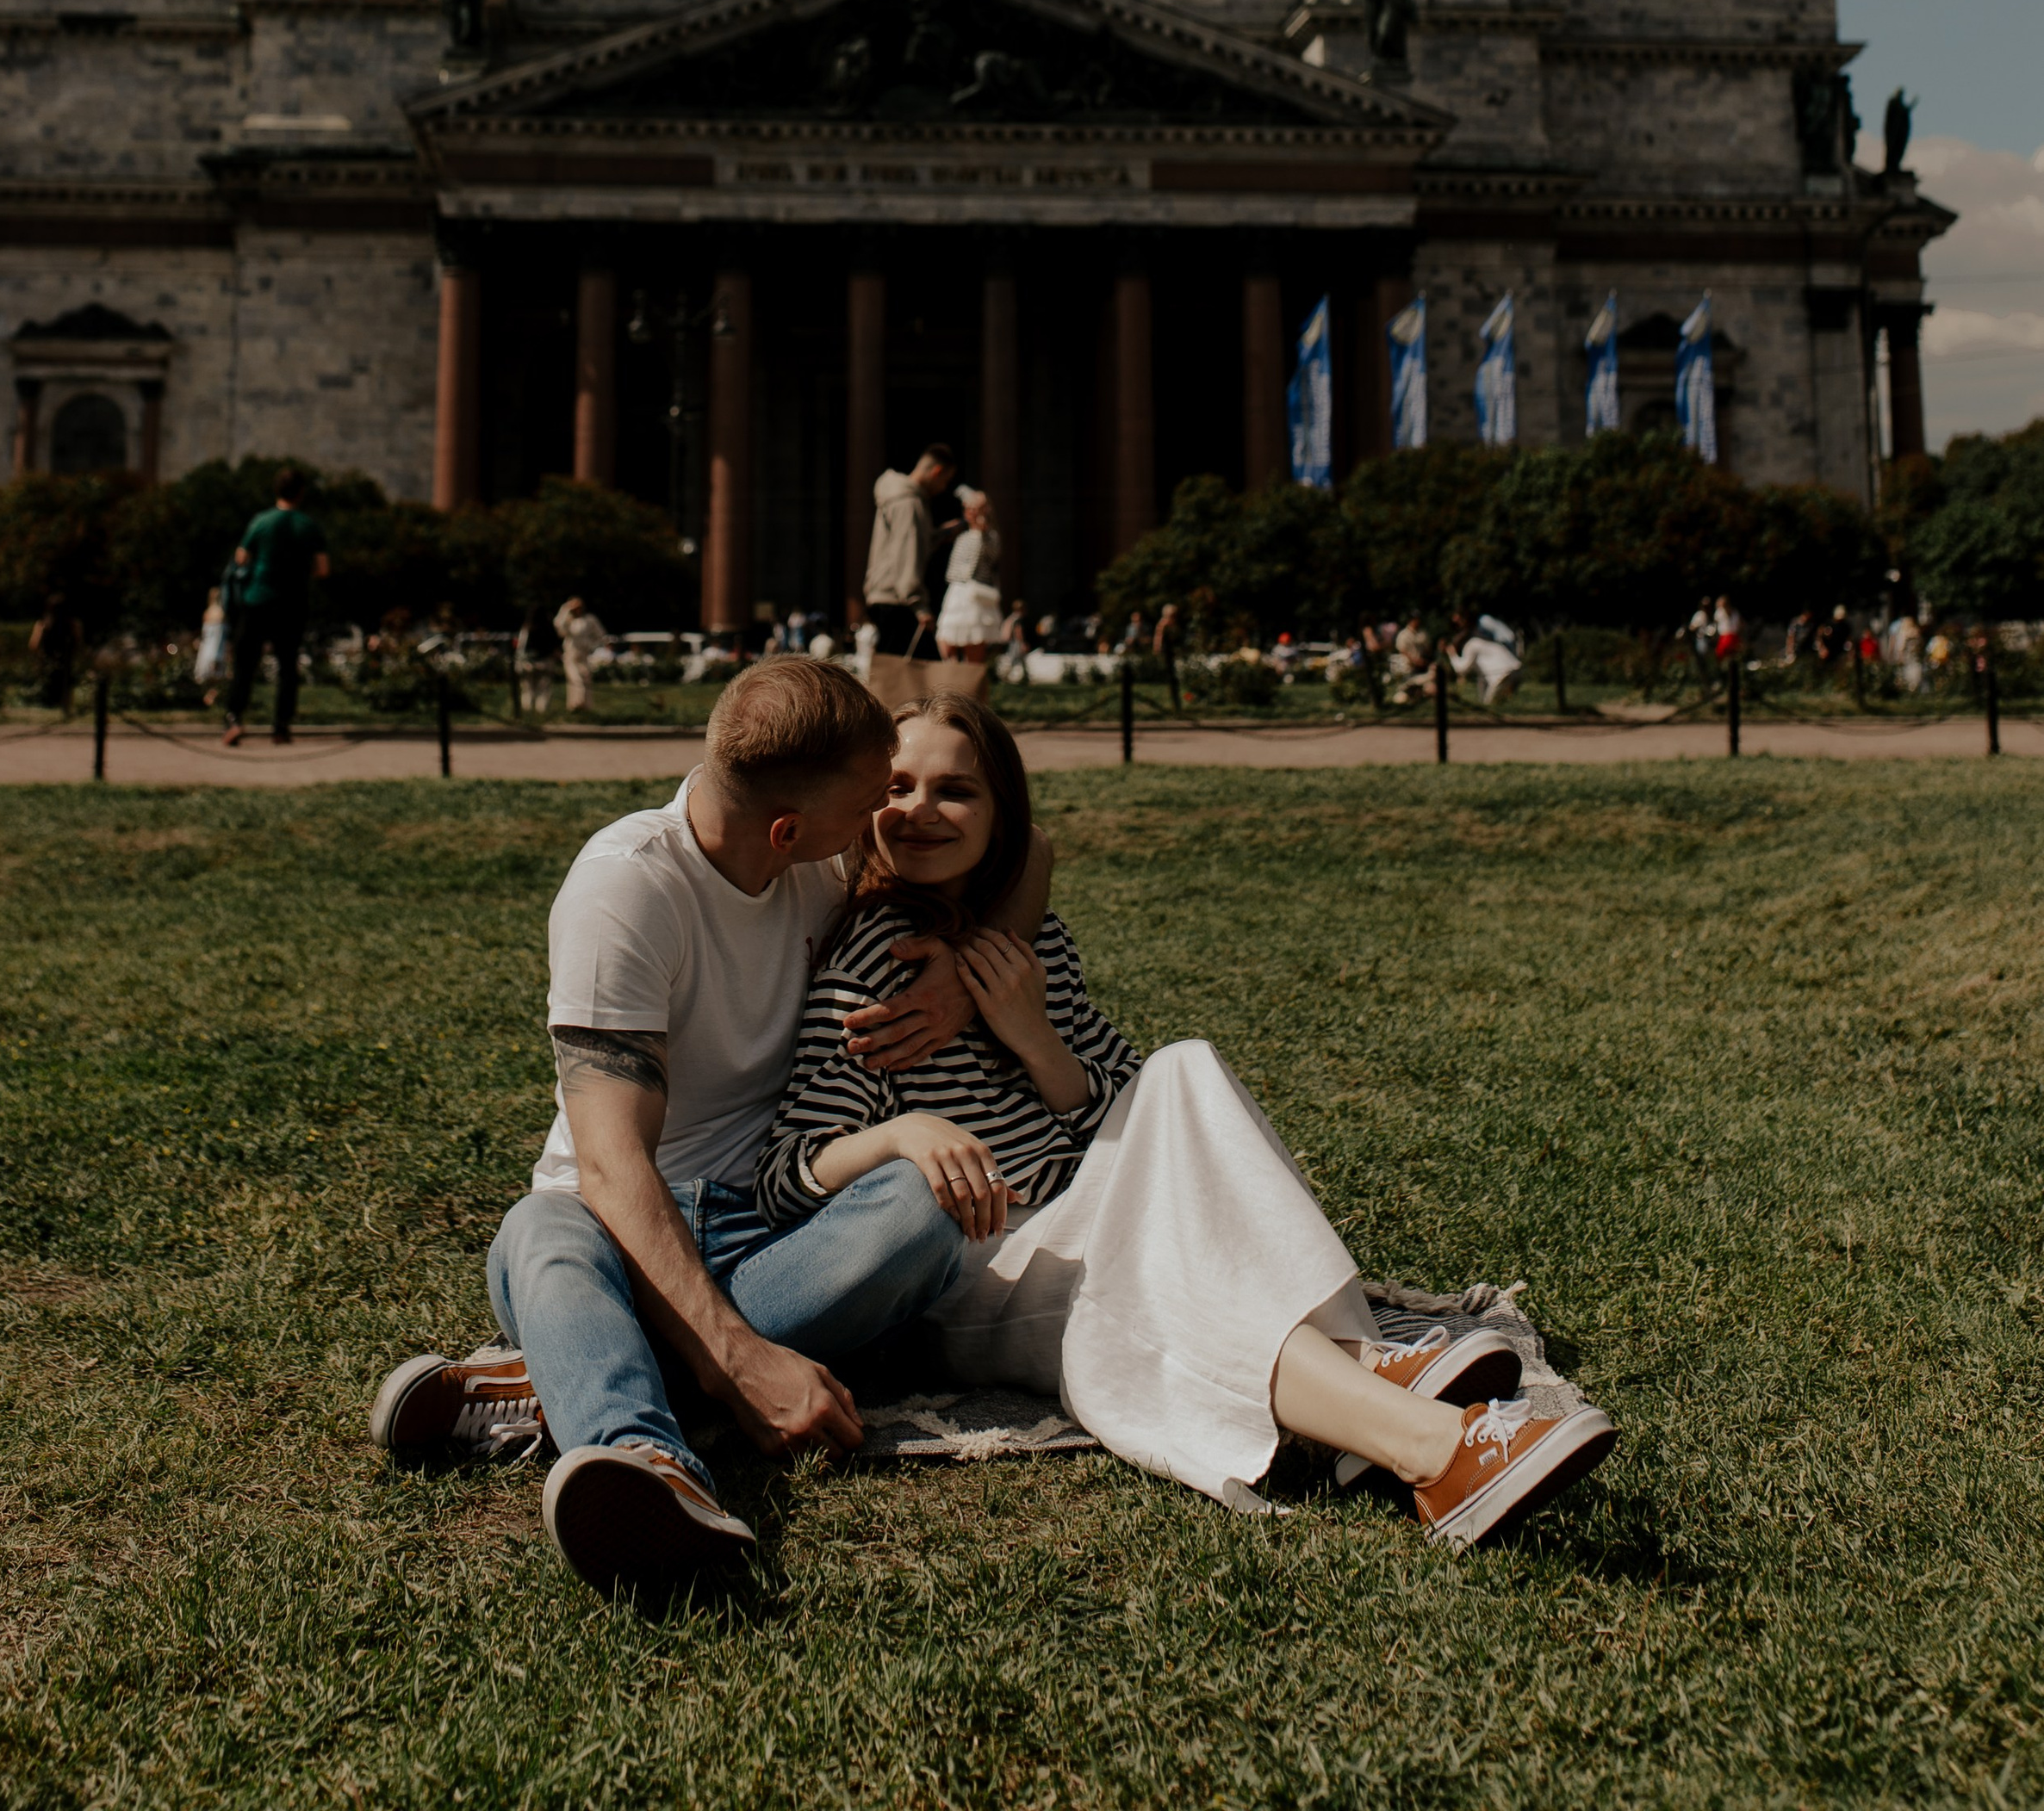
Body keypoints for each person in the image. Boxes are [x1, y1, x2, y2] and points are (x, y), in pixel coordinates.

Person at [755, 702, 1617, 1547]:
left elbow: (1144, 1118)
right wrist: (901, 1136)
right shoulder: (866, 962)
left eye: (956, 791)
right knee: (1161, 1284)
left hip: (1085, 1208)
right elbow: (785, 1172)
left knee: (1184, 1067)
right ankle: (1426, 1441)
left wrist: (1034, 1038)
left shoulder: (1032, 945)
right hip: (979, 1259)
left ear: (1001, 814)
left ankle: (1363, 1391)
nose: (918, 811)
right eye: (896, 786)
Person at [368, 658, 1056, 1596]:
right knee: (540, 1228)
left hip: (776, 1233)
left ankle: (561, 1376)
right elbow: (610, 1169)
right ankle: (648, 1467)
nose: (885, 826)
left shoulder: (815, 852)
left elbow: (1035, 849)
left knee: (920, 1201)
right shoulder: (627, 890)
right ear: (789, 831)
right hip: (612, 1228)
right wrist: (743, 1365)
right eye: (869, 806)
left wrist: (959, 986)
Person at [223, 469, 328, 747]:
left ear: (276, 490)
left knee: (245, 663)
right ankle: (281, 727)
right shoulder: (308, 525)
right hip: (292, 602)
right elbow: (323, 569)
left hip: (257, 599)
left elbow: (241, 557)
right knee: (287, 667)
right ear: (301, 492)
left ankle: (234, 718)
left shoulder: (262, 521)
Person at [860, 447, 956, 657]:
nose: (943, 488)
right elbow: (907, 554)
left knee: (895, 677)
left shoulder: (902, 498)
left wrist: (940, 534)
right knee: (925, 678)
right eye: (945, 481)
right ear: (937, 471)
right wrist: (919, 606)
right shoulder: (909, 503)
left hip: (887, 595)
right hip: (899, 601)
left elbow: (905, 545)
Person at [935, 487, 1003, 661]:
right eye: (968, 508)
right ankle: (953, 681)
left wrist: (982, 530)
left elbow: (992, 557)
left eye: (974, 509)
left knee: (973, 646)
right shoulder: (962, 535)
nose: (970, 512)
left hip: (975, 594)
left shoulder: (989, 536)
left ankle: (969, 686)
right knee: (945, 641)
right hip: (956, 591)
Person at [555, 595, 612, 712]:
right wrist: (565, 609)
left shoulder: (589, 619)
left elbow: (601, 635)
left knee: (586, 679)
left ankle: (586, 707)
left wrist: (592, 646)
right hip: (571, 654)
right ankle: (576, 705)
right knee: (575, 679)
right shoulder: (568, 621)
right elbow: (559, 627)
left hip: (584, 654)